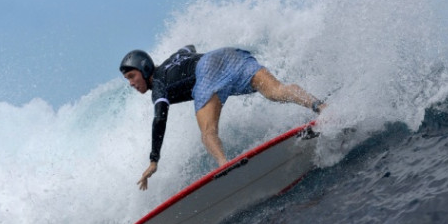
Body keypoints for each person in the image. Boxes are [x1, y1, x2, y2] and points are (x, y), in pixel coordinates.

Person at [120, 45, 326, 190]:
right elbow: (187, 48)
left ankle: (224, 164)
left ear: (145, 68)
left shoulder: (158, 86)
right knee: (277, 91)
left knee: (207, 133)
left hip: (207, 70)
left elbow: (159, 118)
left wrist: (154, 160)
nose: (131, 83)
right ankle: (321, 106)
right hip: (229, 55)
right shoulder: (172, 60)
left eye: (132, 76)